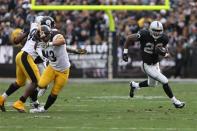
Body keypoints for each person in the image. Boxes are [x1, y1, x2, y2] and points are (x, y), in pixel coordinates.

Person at [122, 21, 185, 108]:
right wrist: (125, 53)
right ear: (150, 29)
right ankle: (175, 102)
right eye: (155, 30)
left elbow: (166, 51)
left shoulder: (164, 38)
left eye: (159, 31)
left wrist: (164, 53)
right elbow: (129, 38)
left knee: (152, 84)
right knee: (164, 81)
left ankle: (134, 85)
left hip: (155, 63)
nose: (157, 32)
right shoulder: (144, 34)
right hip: (147, 65)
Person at [0, 16, 55, 112]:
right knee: (37, 82)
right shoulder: (41, 32)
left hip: (20, 55)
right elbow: (38, 46)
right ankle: (20, 102)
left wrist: (28, 33)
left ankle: (2, 98)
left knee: (20, 82)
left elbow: (16, 41)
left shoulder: (33, 27)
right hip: (26, 56)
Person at [29, 25, 86, 113]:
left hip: (64, 71)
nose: (42, 39)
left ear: (47, 35)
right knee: (40, 84)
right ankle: (34, 100)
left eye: (43, 37)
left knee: (54, 92)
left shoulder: (55, 36)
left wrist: (49, 44)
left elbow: (62, 41)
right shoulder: (39, 44)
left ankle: (44, 109)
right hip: (52, 67)